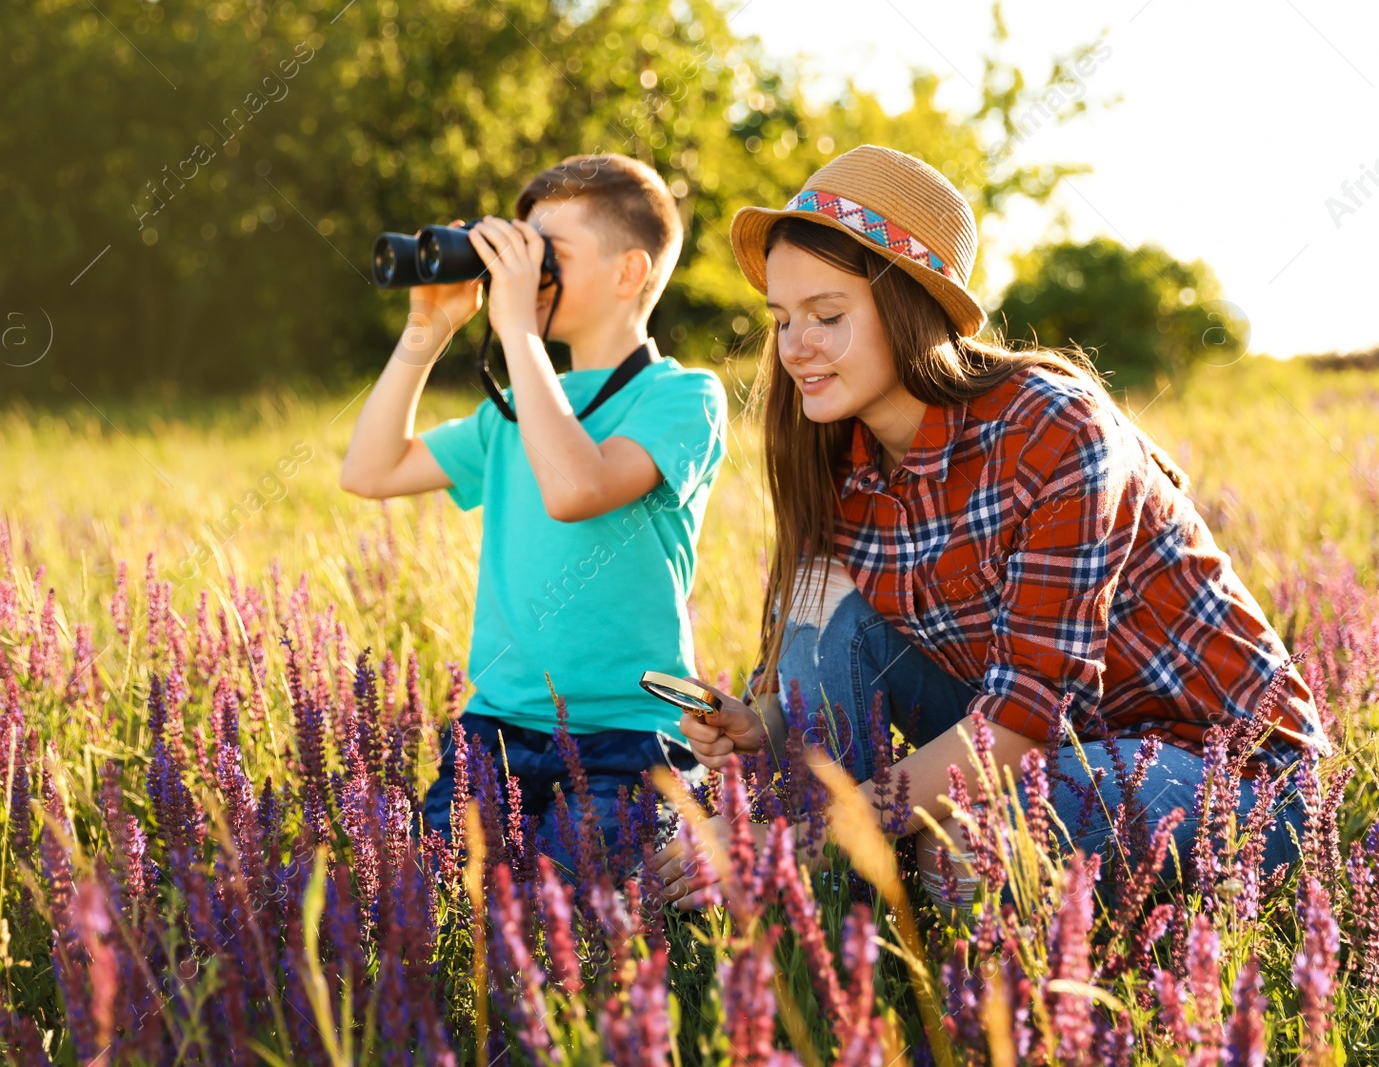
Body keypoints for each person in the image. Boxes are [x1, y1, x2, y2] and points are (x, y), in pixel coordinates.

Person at [649, 144, 1329, 912]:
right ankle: (836, 905)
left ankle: (853, 873)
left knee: (967, 857)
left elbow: (1020, 719)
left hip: (1219, 768)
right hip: (1050, 746)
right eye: (782, 319)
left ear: (911, 311)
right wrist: (759, 727)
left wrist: (805, 836)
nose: (795, 347)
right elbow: (825, 665)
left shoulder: (1052, 428)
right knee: (834, 623)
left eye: (827, 316)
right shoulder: (839, 457)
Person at [341, 154, 727, 874]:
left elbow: (576, 489)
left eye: (549, 253)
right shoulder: (514, 408)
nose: (525, 269)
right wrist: (428, 328)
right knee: (433, 905)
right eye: (518, 249)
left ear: (628, 273)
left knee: (576, 923)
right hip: (498, 725)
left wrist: (517, 329)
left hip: (629, 736)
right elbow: (369, 470)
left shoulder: (684, 397)